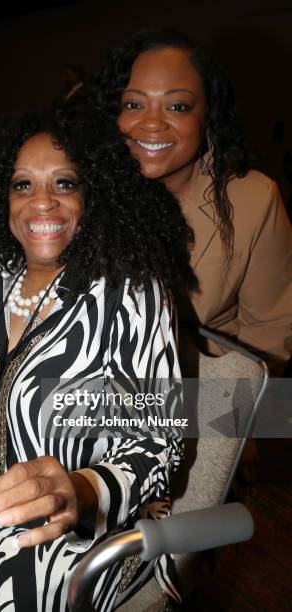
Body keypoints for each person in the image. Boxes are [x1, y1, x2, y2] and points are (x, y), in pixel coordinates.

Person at [0, 110, 196, 610]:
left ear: (93, 196)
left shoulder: (130, 295)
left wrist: (80, 487)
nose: (42, 201)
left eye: (65, 183)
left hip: (68, 537)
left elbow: (156, 444)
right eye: (22, 184)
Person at [90, 30, 292, 376]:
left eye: (178, 106)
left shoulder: (254, 200)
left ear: (207, 115)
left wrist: (215, 420)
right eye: (134, 104)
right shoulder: (80, 190)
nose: (152, 123)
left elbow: (271, 332)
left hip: (201, 394)